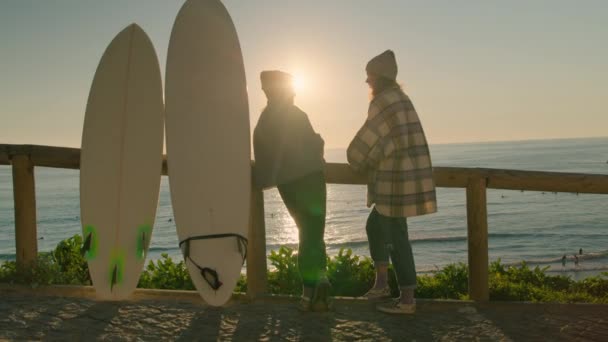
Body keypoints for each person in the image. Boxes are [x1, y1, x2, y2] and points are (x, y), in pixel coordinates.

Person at [347, 50, 437, 314]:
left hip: (393, 179)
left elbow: (370, 139)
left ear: (379, 78)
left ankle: (407, 299)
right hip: (407, 177)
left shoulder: (382, 102)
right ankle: (383, 284)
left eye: (369, 77)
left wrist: (354, 159)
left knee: (396, 237)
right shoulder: (402, 99)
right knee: (376, 226)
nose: (367, 82)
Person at [253, 70, 330, 311]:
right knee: (313, 233)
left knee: (307, 233)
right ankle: (313, 290)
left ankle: (317, 289)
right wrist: (318, 142)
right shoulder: (296, 115)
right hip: (310, 180)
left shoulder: (264, 120)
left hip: (287, 184)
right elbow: (314, 144)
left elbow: (264, 156)